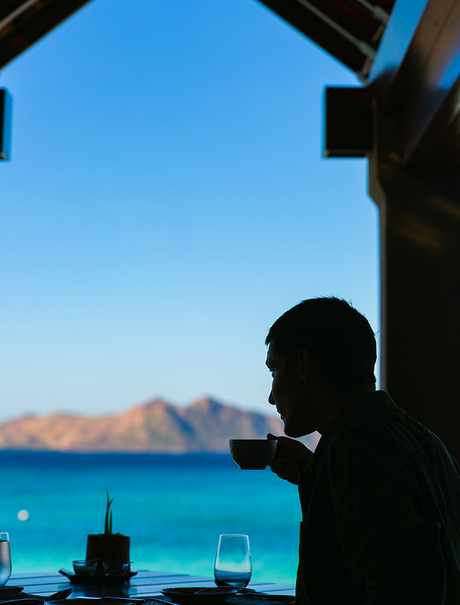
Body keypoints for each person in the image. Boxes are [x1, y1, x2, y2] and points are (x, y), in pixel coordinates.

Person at [265, 297, 460, 605]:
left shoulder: (356, 451)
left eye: (274, 371)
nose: (271, 398)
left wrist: (334, 467)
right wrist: (318, 473)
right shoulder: (427, 442)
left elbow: (400, 590)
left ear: (303, 364)